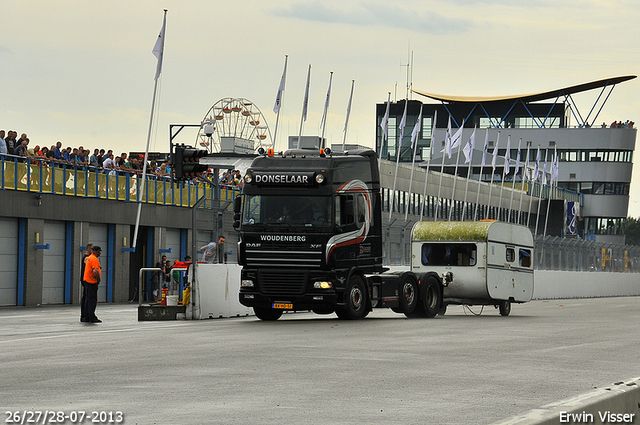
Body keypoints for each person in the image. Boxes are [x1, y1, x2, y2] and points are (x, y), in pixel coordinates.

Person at [82, 245, 102, 323]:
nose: (100, 253)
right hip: (92, 282)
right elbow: (95, 271)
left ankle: (86, 316)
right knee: (92, 300)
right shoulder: (94, 259)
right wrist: (98, 279)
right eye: (99, 251)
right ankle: (92, 317)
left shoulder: (89, 258)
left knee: (87, 300)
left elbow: (85, 261)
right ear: (96, 252)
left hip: (87, 281)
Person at [80, 243, 93, 322]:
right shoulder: (87, 258)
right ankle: (85, 315)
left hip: (86, 279)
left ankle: (85, 314)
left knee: (86, 297)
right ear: (89, 249)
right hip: (87, 280)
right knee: (87, 297)